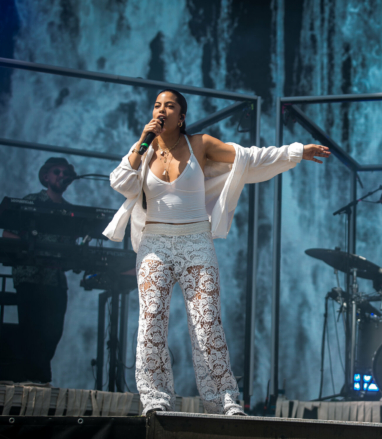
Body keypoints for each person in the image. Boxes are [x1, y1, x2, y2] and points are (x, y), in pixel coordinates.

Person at [103, 89, 330, 415]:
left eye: (169, 105)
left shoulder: (200, 144)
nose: (161, 110)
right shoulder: (145, 148)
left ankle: (222, 398)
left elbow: (249, 157)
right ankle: (155, 400)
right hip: (154, 242)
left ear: (181, 116)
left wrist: (296, 151)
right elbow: (120, 182)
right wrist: (142, 140)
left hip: (196, 241)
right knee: (151, 320)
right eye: (157, 105)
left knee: (207, 322)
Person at [2, 157, 77, 383]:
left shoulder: (70, 212)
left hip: (56, 281)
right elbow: (8, 234)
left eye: (65, 173)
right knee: (32, 332)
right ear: (45, 177)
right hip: (30, 278)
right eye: (56, 172)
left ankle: (35, 380)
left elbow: (74, 247)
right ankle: (36, 382)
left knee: (53, 333)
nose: (61, 176)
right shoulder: (31, 202)